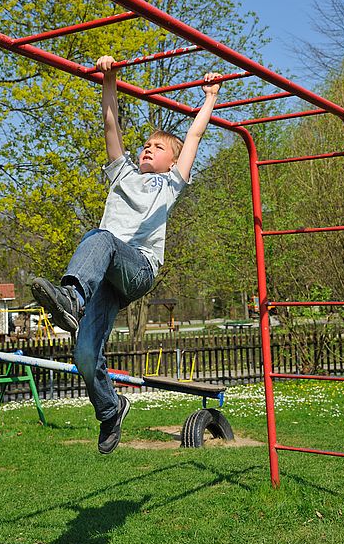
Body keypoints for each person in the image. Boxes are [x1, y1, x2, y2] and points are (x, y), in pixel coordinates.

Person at [31, 55, 222, 454]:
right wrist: (110, 79)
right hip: (106, 277)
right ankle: (110, 409)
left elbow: (195, 138)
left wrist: (210, 97)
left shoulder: (170, 184)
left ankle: (71, 300)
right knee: (84, 354)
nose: (148, 150)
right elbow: (110, 123)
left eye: (157, 147)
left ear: (170, 160)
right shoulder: (122, 174)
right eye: (146, 146)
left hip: (138, 268)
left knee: (100, 238)